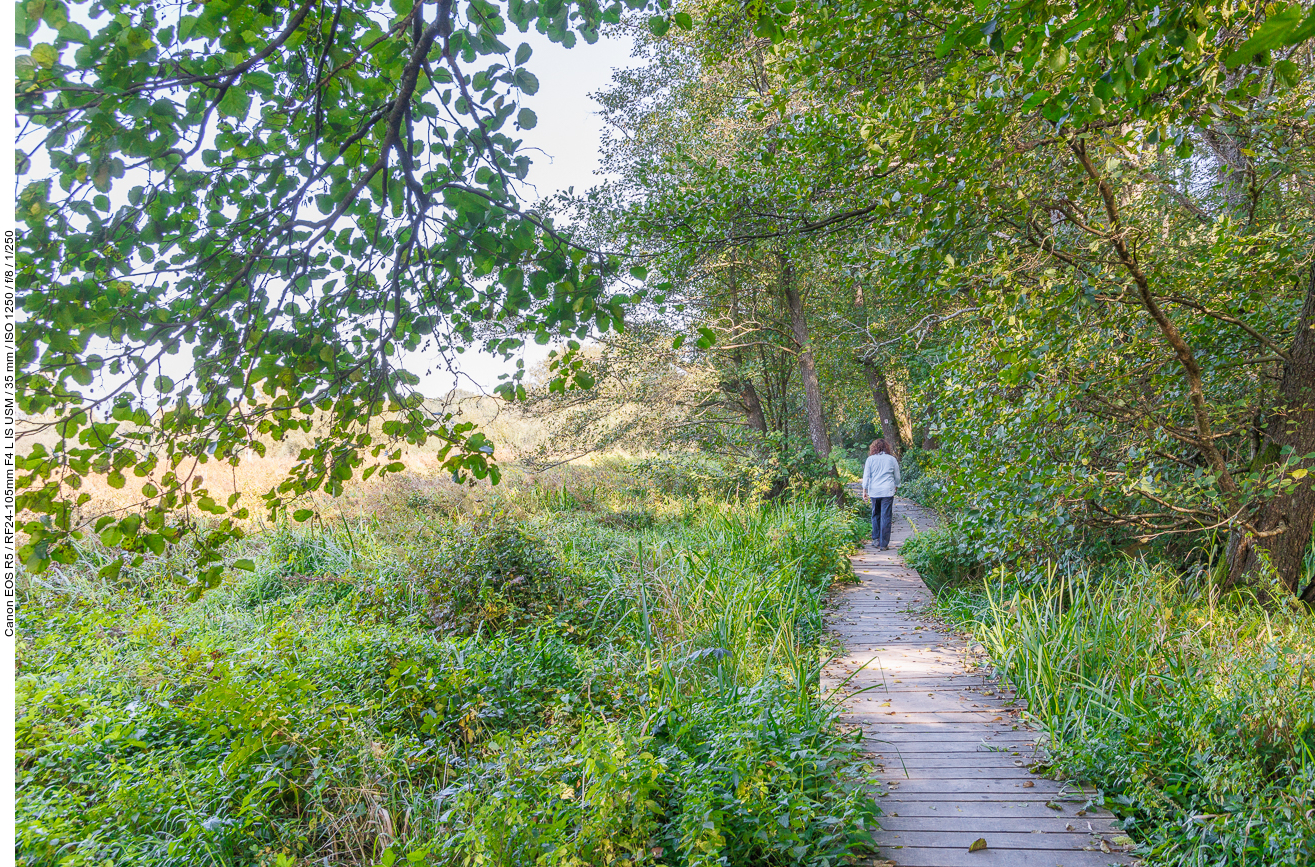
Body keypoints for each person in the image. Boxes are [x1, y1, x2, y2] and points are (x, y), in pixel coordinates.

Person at [862, 439, 901, 551]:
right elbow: (897, 475)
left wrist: (864, 491)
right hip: (887, 490)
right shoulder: (892, 459)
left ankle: (875, 539)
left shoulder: (870, 459)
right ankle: (883, 544)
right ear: (886, 448)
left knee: (875, 514)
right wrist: (896, 485)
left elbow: (866, 476)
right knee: (886, 516)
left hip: (874, 490)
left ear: (874, 448)